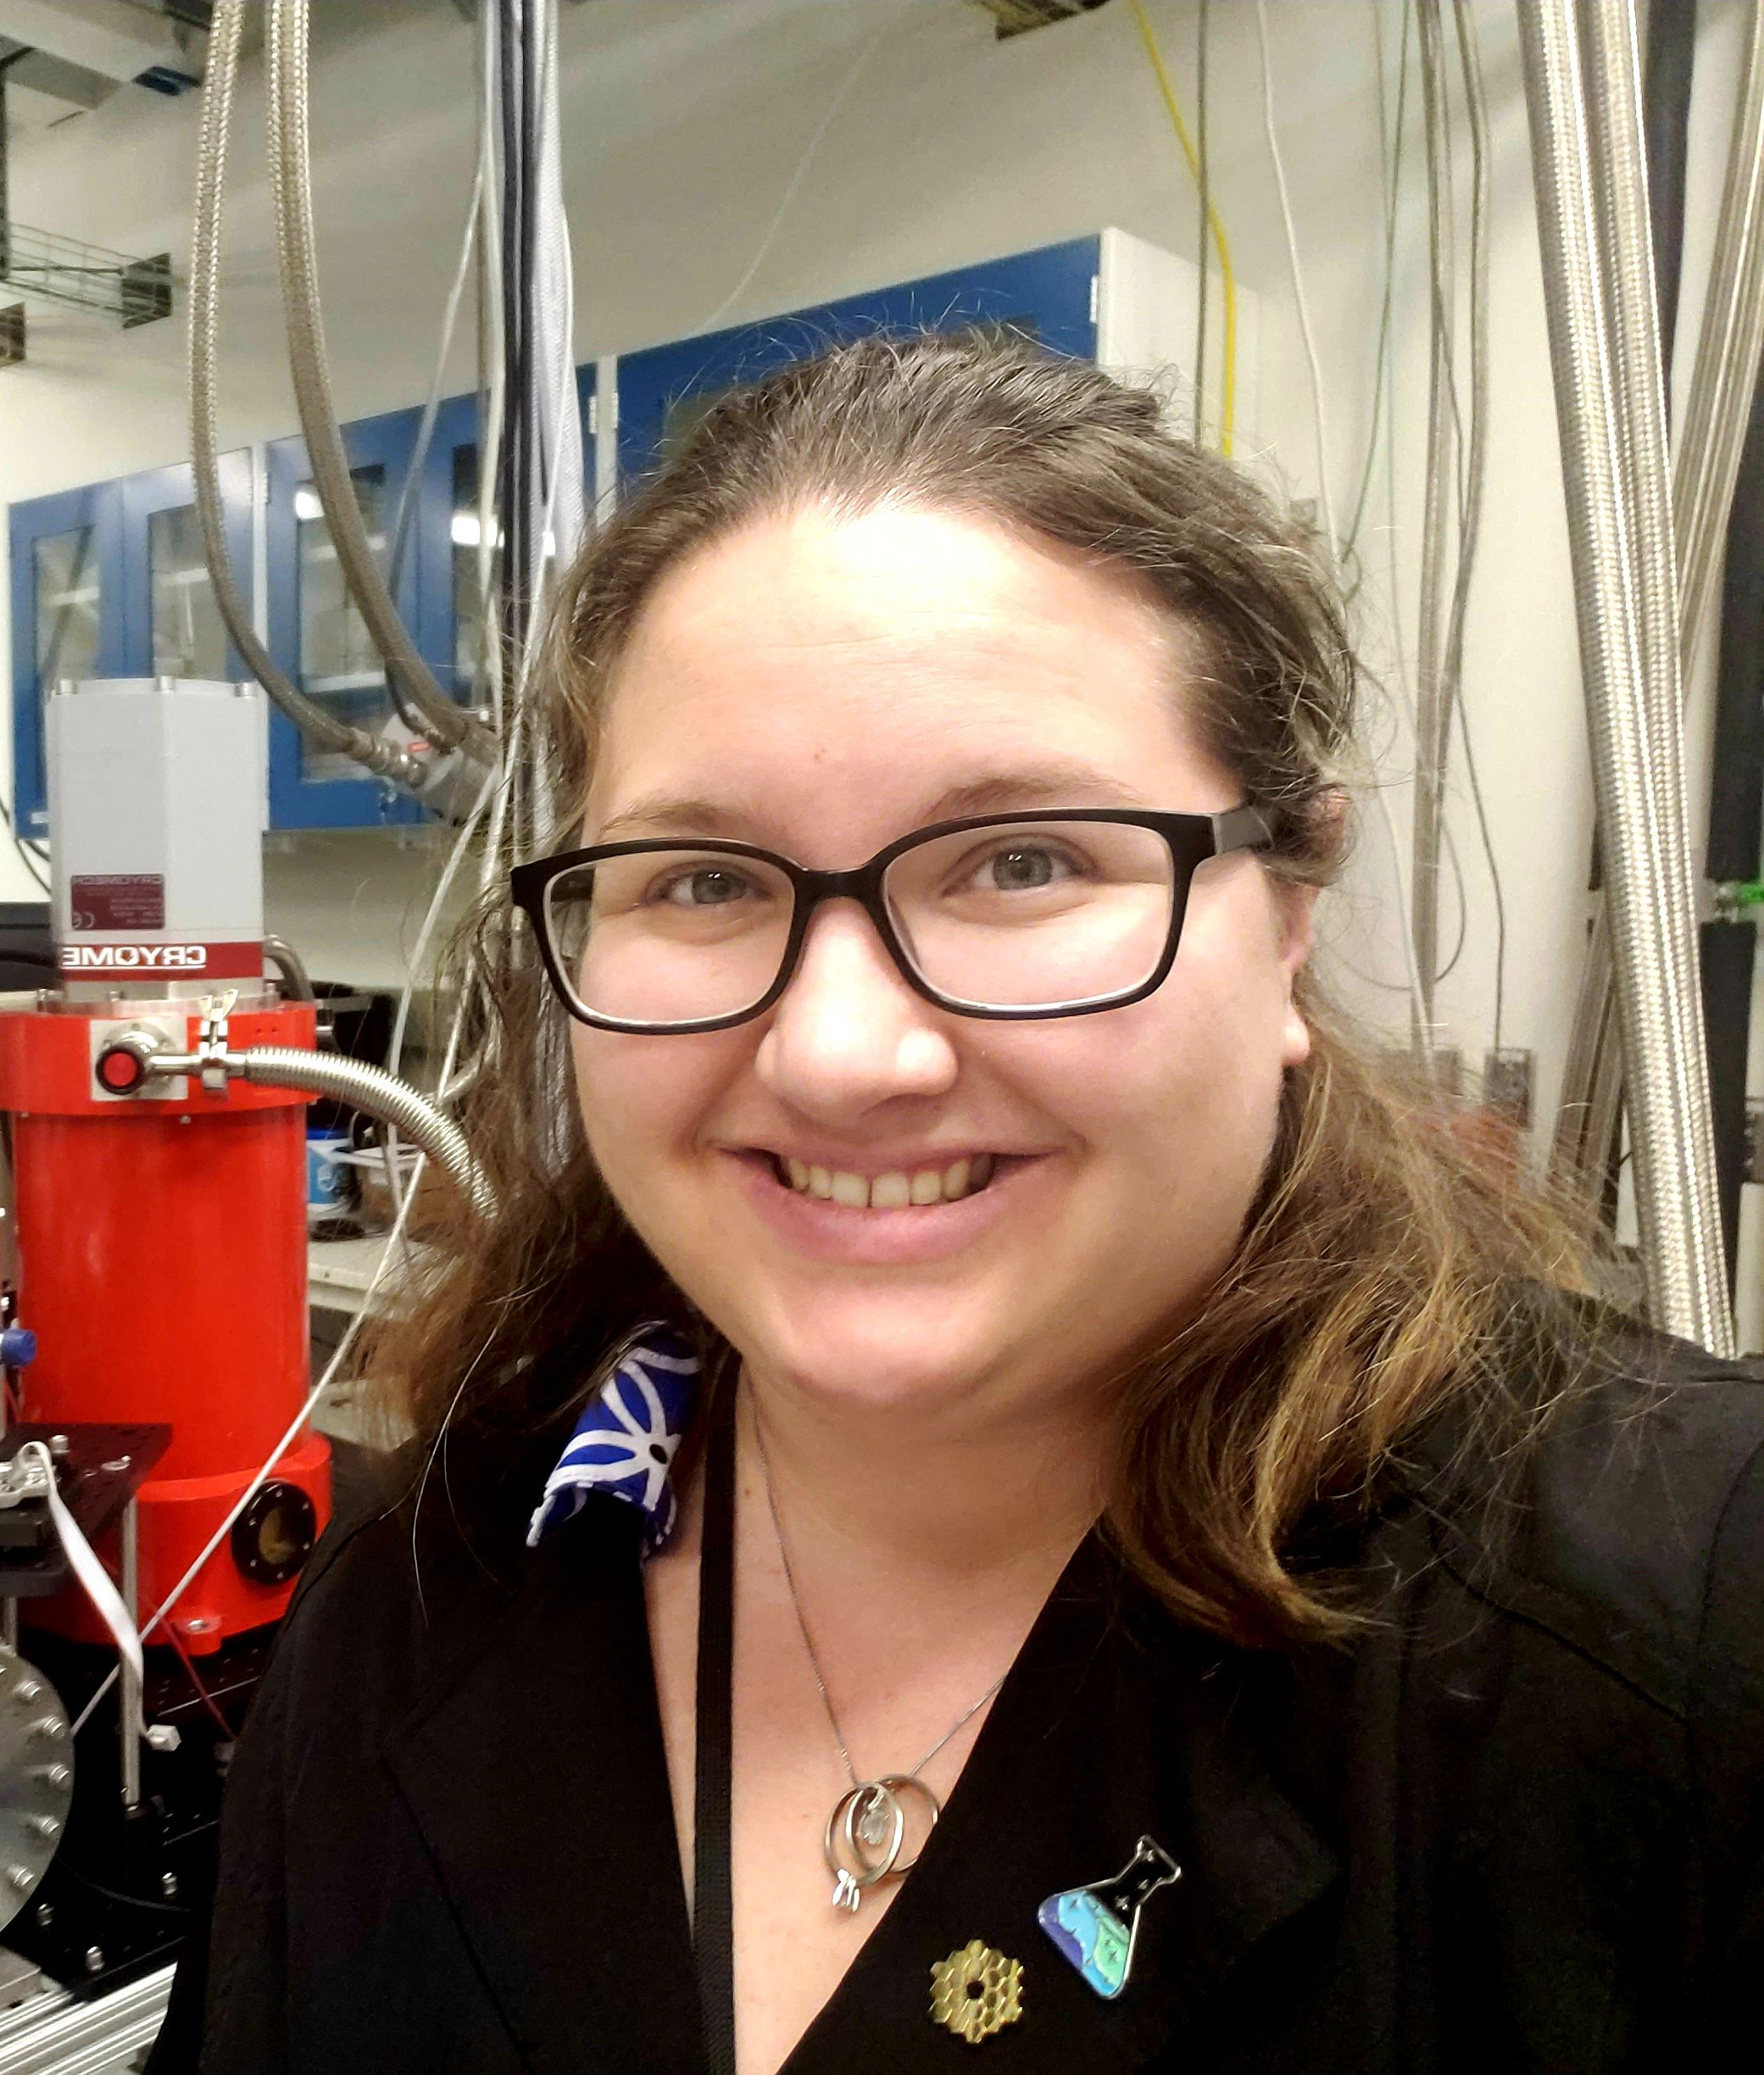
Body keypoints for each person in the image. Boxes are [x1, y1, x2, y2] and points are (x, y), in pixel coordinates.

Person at [154, 337, 1764, 2073]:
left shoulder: (1688, 1636)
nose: (841, 1055)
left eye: (1022, 862)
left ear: (1290, 914)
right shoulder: (420, 1593)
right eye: (702, 880)